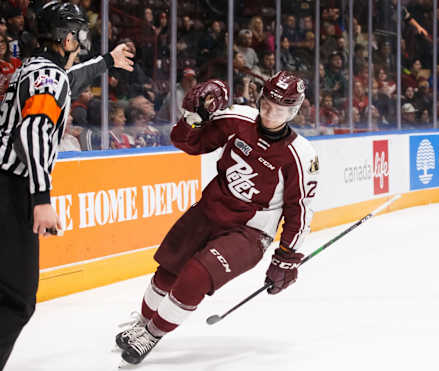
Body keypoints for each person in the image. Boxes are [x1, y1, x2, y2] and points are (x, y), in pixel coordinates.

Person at [116, 71, 320, 365]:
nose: (270, 113)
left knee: (195, 276)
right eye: (267, 104)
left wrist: (286, 257)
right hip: (209, 210)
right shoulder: (238, 119)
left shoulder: (300, 155)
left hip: (250, 231)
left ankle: (152, 333)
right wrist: (192, 118)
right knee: (168, 270)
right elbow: (188, 143)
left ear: (294, 110)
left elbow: (299, 210)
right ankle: (143, 322)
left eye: (281, 109)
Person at [0, 2, 134, 370]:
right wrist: (40, 197)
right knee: (16, 298)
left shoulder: (36, 68)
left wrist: (106, 61)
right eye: (78, 31)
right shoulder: (49, 75)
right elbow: (34, 130)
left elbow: (65, 80)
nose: (82, 38)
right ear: (66, 35)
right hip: (10, 190)